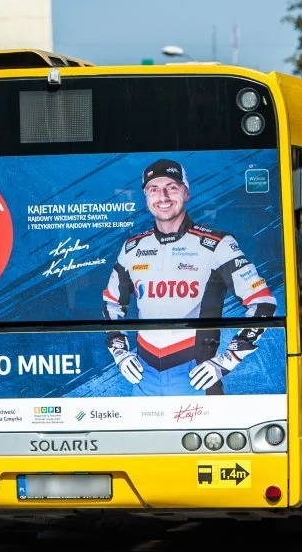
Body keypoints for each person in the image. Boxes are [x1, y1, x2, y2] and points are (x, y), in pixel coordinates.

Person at [104, 159, 277, 395]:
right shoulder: (131, 248)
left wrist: (227, 360)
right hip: (144, 379)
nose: (162, 196)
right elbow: (111, 304)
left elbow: (262, 303)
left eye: (172, 187)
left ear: (186, 192)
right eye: (154, 189)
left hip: (196, 379)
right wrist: (120, 353)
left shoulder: (218, 244)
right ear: (146, 197)